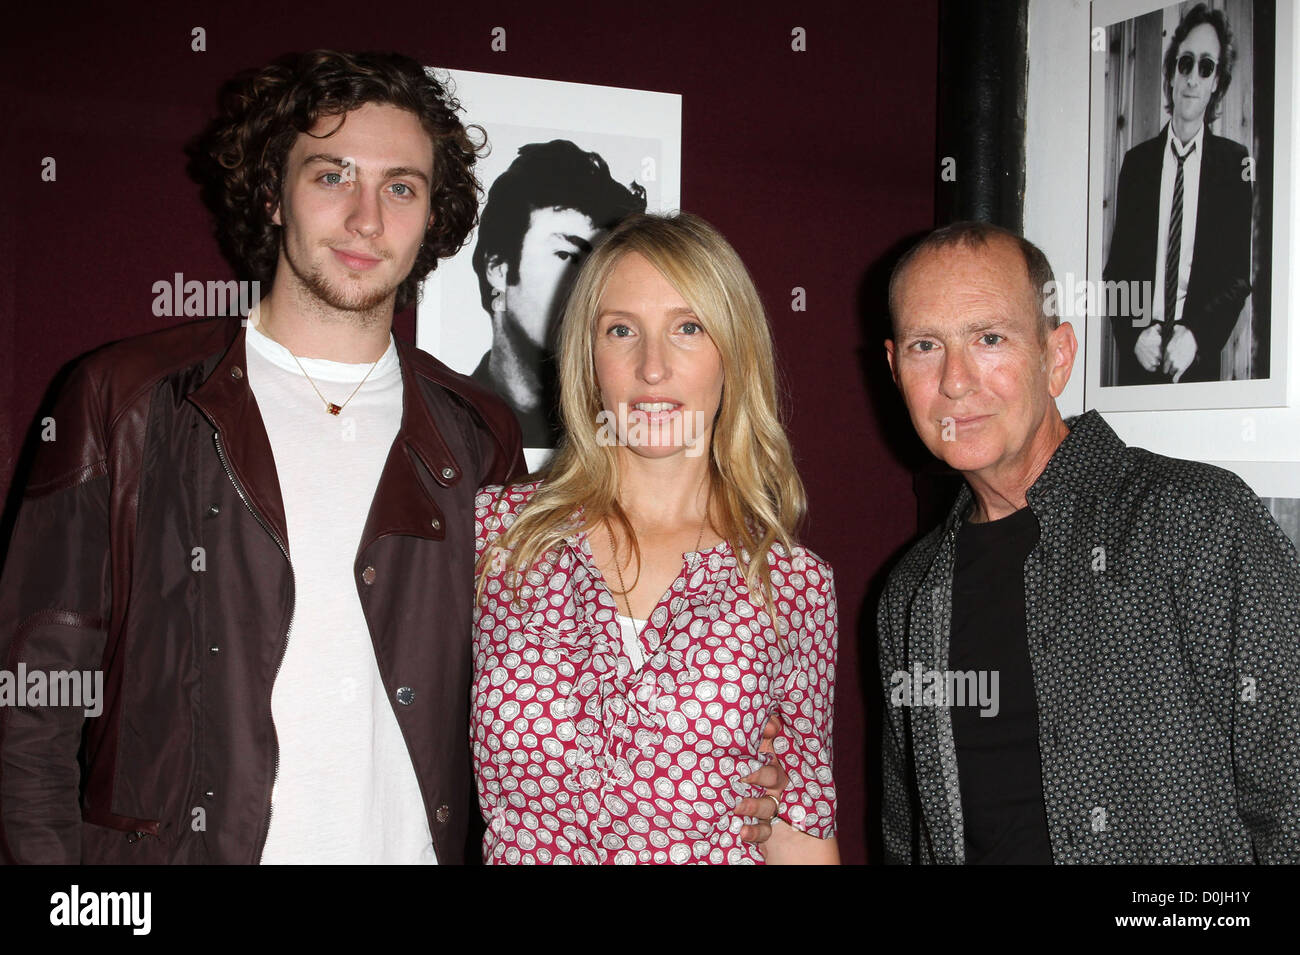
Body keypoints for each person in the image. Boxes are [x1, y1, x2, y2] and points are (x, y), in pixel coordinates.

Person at [0, 51, 526, 864]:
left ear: (432, 216)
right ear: (274, 196)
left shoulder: (478, 431)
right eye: (330, 175)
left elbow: (533, 689)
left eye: (400, 187)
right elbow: (31, 709)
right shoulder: (128, 399)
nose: (365, 218)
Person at [880, 220, 1300, 864]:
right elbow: (910, 834)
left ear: (1058, 356)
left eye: (990, 338)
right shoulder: (911, 593)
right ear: (893, 367)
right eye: (925, 346)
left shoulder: (1197, 522)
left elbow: (1289, 798)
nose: (956, 381)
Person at [472, 212, 840, 864]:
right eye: (621, 331)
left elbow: (799, 829)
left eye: (688, 329)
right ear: (589, 357)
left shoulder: (792, 583)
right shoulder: (497, 539)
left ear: (735, 352)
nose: (652, 368)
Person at [1103, 2, 1252, 385]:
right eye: (1185, 63)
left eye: (1206, 67)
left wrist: (1197, 335)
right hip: (1140, 361)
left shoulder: (1234, 165)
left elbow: (1237, 278)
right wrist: (1134, 333)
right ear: (1171, 72)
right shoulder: (1137, 164)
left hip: (1197, 364)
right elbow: (1116, 270)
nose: (1193, 79)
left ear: (1217, 81)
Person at [470, 140, 647, 446]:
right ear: (498, 269)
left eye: (597, 265)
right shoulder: (448, 420)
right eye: (565, 256)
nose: (585, 286)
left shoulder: (633, 427)